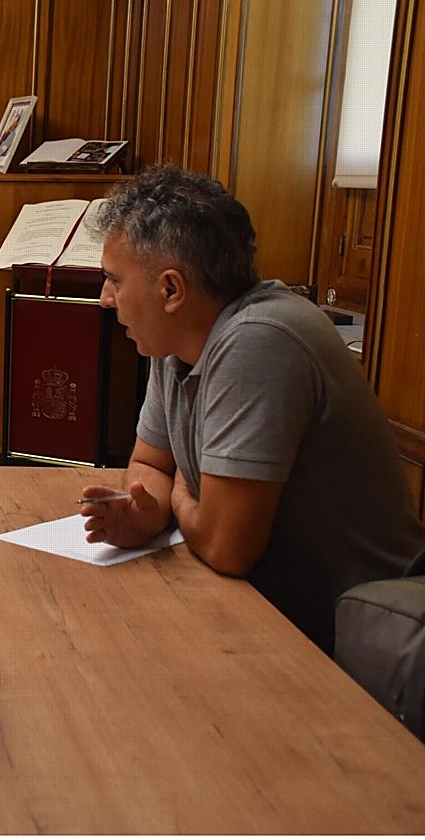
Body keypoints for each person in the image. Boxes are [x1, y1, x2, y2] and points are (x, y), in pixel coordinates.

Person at [80, 164, 425, 654]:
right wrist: (150, 510)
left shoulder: (260, 340)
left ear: (171, 290)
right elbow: (151, 463)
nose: (105, 299)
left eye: (113, 280)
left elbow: (227, 548)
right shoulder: (174, 341)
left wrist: (179, 496)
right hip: (271, 615)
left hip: (361, 650)